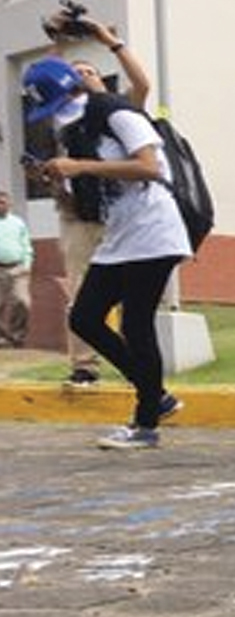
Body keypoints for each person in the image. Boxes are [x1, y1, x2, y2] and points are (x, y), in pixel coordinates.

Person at [21, 56, 189, 449]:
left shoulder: (117, 113)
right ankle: (156, 393)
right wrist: (59, 179)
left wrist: (79, 166)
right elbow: (91, 199)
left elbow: (151, 168)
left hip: (154, 230)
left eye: (58, 107)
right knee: (83, 317)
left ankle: (146, 423)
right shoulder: (78, 131)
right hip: (120, 236)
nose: (58, 118)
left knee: (136, 324)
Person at [47, 15, 151, 386]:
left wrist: (109, 42)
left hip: (120, 217)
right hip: (77, 217)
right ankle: (85, 367)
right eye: (74, 73)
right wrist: (57, 38)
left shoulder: (118, 111)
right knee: (79, 295)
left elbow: (142, 84)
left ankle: (136, 367)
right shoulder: (64, 117)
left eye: (88, 71)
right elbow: (46, 76)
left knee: (129, 296)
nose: (81, 76)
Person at [0, 193, 32, 347]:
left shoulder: (18, 223)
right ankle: (4, 338)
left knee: (22, 301)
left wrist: (27, 265)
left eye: (3, 202)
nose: (1, 205)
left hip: (17, 268)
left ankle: (17, 337)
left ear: (9, 204)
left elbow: (27, 246)